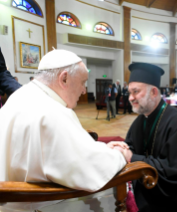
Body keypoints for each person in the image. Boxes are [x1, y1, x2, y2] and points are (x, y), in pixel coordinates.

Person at [0, 49, 127, 212]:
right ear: (64, 78)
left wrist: (102, 148)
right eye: (83, 82)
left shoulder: (20, 96)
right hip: (38, 206)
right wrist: (119, 154)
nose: (83, 91)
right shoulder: (51, 111)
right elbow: (85, 168)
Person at [120, 63, 177, 212]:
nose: (131, 98)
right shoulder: (140, 121)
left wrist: (133, 157)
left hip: (174, 202)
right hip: (147, 194)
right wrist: (121, 148)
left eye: (136, 92)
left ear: (154, 92)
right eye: (129, 92)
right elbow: (130, 146)